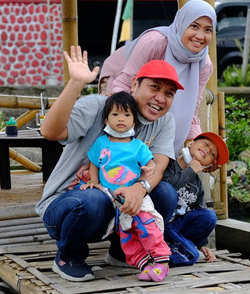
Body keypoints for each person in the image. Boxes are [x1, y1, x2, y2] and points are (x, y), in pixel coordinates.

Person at [36, 46, 182, 282]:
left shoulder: (164, 121)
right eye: (154, 87)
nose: (160, 98)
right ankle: (69, 256)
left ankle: (120, 251)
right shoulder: (100, 106)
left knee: (165, 193)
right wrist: (75, 83)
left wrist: (139, 188)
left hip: (118, 206)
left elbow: (159, 165)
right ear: (135, 84)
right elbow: (49, 131)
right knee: (96, 199)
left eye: (169, 93)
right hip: (68, 205)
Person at [99, 0, 217, 153]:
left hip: (155, 92)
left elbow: (190, 109)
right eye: (194, 26)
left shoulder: (204, 65)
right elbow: (124, 83)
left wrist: (197, 142)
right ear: (181, 23)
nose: (200, 36)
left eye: (208, 30)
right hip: (119, 79)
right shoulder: (154, 43)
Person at [82, 91, 171, 282]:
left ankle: (162, 262)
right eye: (115, 114)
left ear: (134, 120)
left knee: (146, 225)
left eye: (126, 115)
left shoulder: (138, 146)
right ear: (106, 119)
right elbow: (94, 164)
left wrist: (149, 168)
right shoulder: (101, 143)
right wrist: (94, 182)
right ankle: (145, 265)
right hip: (114, 199)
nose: (121, 119)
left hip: (135, 196)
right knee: (126, 233)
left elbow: (152, 164)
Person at [162, 131, 229, 266]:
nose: (207, 150)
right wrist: (190, 170)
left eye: (212, 154)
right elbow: (164, 188)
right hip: (160, 224)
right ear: (190, 143)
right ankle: (161, 254)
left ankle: (176, 249)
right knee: (191, 256)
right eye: (206, 144)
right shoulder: (168, 164)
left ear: (209, 166)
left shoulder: (197, 184)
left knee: (209, 216)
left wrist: (201, 243)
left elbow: (198, 212)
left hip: (176, 229)